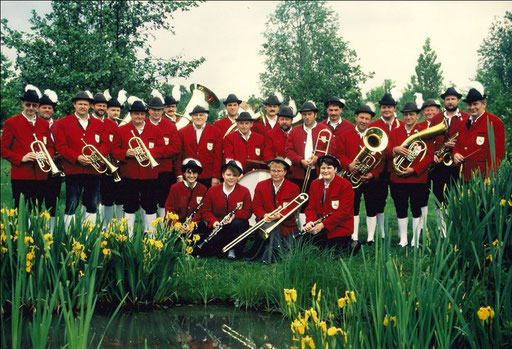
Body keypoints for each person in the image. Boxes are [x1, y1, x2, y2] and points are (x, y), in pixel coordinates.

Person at [111, 98, 166, 236]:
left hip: (149, 175)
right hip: (129, 175)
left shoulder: (155, 130)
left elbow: (162, 149)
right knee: (129, 205)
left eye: (142, 114)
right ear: (131, 114)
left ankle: (151, 234)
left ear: (145, 115)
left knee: (150, 205)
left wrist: (148, 153)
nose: (139, 117)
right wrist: (126, 153)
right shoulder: (121, 130)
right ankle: (128, 236)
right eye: (136, 114)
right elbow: (114, 150)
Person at [54, 91, 108, 228]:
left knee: (92, 203)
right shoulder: (63, 123)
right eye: (80, 104)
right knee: (71, 203)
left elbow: (106, 144)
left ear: (90, 106)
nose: (83, 107)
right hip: (73, 170)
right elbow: (60, 146)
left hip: (94, 171)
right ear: (74, 105)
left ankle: (87, 236)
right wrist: (76, 157)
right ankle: (68, 235)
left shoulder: (100, 124)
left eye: (85, 104)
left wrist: (96, 156)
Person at [334, 104, 382, 246]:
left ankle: (371, 238)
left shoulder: (374, 136)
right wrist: (348, 164)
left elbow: (381, 158)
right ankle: (353, 236)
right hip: (351, 178)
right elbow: (339, 154)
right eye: (361, 117)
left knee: (371, 207)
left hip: (369, 179)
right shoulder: (345, 135)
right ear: (356, 118)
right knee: (353, 207)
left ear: (371, 120)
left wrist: (373, 174)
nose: (364, 121)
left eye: (367, 119)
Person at [388, 102, 434, 248]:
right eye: (406, 114)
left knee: (416, 208)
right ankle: (403, 239)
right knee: (400, 208)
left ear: (417, 116)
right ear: (402, 115)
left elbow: (429, 155)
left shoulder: (424, 131)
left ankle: (415, 239)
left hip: (417, 178)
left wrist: (414, 169)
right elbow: (386, 152)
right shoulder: (395, 132)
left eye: (411, 114)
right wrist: (395, 149)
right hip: (398, 178)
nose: (408, 117)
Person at [1, 85, 54, 211]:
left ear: (38, 106)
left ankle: (35, 232)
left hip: (41, 175)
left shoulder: (44, 124)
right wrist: (21, 158)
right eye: (28, 105)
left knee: (38, 209)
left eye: (34, 105)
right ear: (22, 104)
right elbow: (3, 149)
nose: (31, 108)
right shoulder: (11, 123)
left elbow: (50, 146)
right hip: (21, 175)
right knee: (20, 210)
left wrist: (47, 156)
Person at [429, 87, 469, 235]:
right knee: (439, 198)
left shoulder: (465, 117)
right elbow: (429, 139)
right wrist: (433, 153)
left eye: (453, 99)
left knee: (456, 197)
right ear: (444, 101)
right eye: (447, 99)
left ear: (458, 100)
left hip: (458, 164)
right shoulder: (436, 118)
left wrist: (457, 146)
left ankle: (456, 227)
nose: (450, 101)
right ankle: (442, 229)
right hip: (440, 163)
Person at [247, 157, 301, 263]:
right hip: (266, 221)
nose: (276, 174)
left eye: (279, 171)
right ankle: (271, 258)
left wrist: (280, 215)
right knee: (272, 227)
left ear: (285, 172)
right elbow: (256, 206)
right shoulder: (261, 185)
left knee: (275, 228)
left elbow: (293, 208)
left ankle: (269, 257)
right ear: (270, 171)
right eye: (273, 170)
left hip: (286, 224)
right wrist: (264, 215)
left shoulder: (293, 188)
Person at [367, 93, 403, 239]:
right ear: (380, 108)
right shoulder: (373, 125)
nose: (386, 110)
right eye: (383, 107)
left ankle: (402, 232)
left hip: (396, 169)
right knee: (379, 200)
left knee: (398, 199)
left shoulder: (401, 124)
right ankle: (381, 232)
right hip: (379, 168)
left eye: (389, 107)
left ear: (394, 108)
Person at [453, 83, 505, 181]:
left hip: (482, 178)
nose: (472, 107)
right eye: (469, 104)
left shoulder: (494, 122)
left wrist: (489, 177)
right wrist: (455, 154)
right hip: (464, 176)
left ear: (484, 104)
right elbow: (458, 145)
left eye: (475, 104)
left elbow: (497, 154)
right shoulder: (463, 123)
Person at [200, 160, 252, 259]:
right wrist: (213, 221)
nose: (231, 178)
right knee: (215, 250)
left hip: (236, 226)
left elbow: (248, 212)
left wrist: (234, 216)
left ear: (238, 177)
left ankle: (234, 248)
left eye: (234, 175)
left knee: (239, 223)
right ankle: (224, 248)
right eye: (228, 174)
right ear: (223, 175)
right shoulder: (212, 190)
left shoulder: (244, 191)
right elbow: (206, 210)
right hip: (218, 224)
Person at [304, 155, 354, 252]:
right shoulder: (314, 184)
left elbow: (344, 211)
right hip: (320, 226)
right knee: (304, 246)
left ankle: (352, 245)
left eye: (329, 168)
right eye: (323, 168)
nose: (325, 171)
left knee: (330, 253)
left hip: (339, 228)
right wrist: (310, 221)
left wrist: (322, 225)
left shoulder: (345, 185)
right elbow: (311, 208)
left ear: (335, 169)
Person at [146, 93, 181, 218]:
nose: (156, 113)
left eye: (159, 110)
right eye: (154, 110)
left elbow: (176, 147)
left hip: (165, 170)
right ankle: (148, 231)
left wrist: (154, 153)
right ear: (148, 110)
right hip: (146, 170)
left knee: (163, 201)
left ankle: (162, 231)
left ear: (163, 110)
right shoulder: (142, 123)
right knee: (148, 201)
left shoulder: (170, 126)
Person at [285, 101, 331, 192]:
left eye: (309, 114)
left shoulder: (325, 130)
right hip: (298, 172)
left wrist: (318, 157)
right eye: (304, 114)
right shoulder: (294, 131)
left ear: (315, 115)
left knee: (317, 199)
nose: (307, 117)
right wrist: (300, 160)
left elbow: (331, 149)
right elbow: (288, 150)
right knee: (299, 199)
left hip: (318, 170)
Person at [91, 92, 120, 227]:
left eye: (104, 106)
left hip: (108, 167)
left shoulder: (112, 125)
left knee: (107, 198)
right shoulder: (88, 122)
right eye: (99, 105)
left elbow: (114, 144)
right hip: (90, 166)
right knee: (89, 199)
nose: (101, 108)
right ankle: (86, 228)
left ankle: (106, 228)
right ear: (93, 106)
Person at [178, 105, 222, 188]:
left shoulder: (216, 132)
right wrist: (179, 175)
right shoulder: (182, 132)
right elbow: (179, 156)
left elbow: (218, 156)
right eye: (195, 115)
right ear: (191, 117)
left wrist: (216, 176)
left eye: (201, 115)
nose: (198, 117)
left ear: (206, 117)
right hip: (187, 175)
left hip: (207, 175)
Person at [165, 158, 208, 236]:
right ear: (184, 173)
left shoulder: (203, 189)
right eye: (189, 172)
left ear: (198, 174)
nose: (191, 175)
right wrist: (177, 225)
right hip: (177, 223)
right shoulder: (175, 188)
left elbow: (202, 211)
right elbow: (170, 209)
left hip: (194, 224)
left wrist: (192, 224)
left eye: (194, 173)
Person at [38, 89, 62, 230]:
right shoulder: (35, 125)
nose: (47, 110)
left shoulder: (59, 124)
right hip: (38, 168)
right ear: (38, 109)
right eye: (44, 107)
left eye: (49, 108)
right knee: (37, 200)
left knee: (52, 201)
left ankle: (51, 231)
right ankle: (36, 230)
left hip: (56, 167)